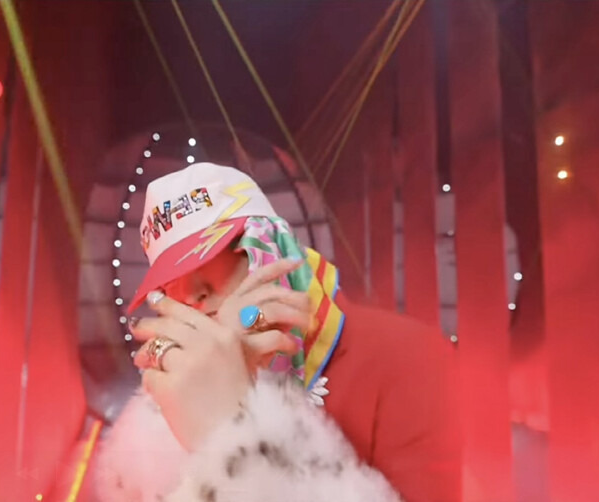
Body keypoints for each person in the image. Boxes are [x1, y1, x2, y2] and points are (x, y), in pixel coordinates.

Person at [94, 162, 461, 502]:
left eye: (216, 254)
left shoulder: (407, 355)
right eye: (169, 279)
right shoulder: (164, 400)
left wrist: (234, 428)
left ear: (270, 244)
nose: (190, 293)